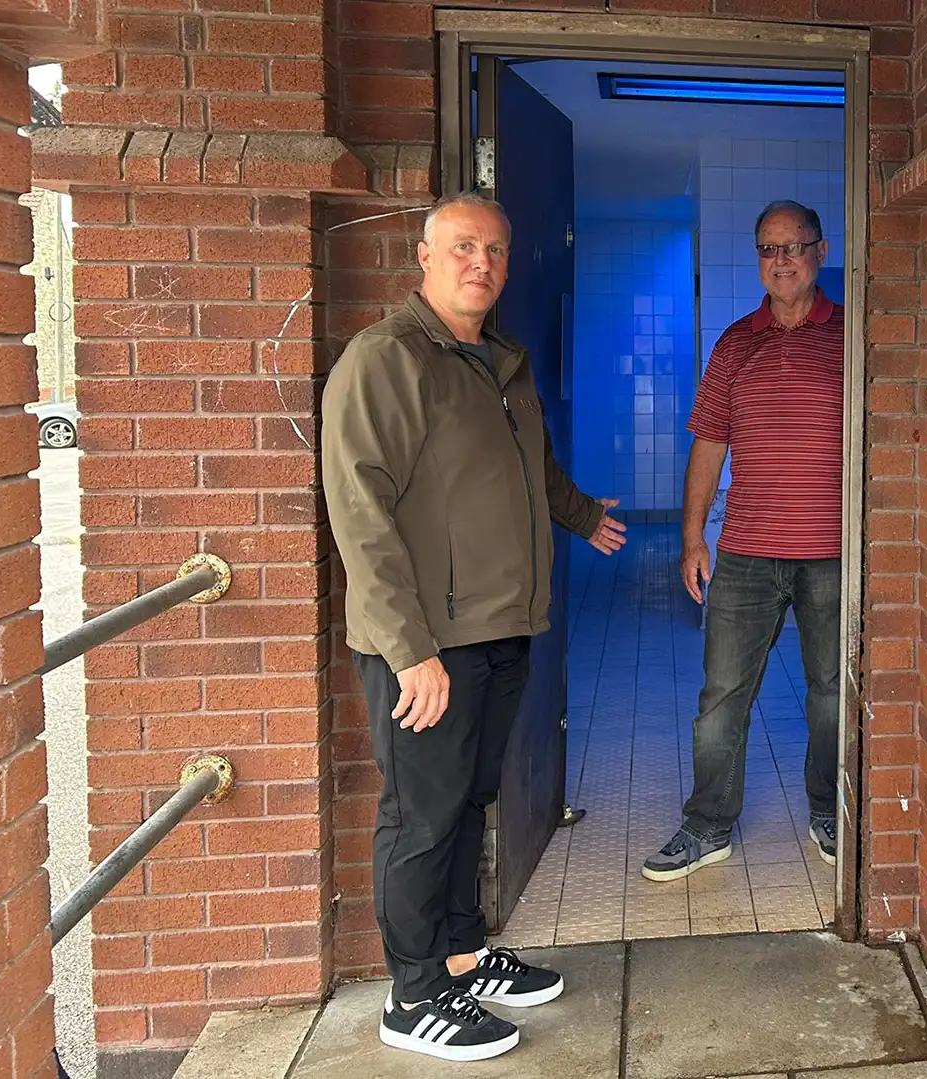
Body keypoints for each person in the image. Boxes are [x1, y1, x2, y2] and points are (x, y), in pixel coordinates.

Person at [322, 192, 627, 1062]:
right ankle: (414, 993)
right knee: (423, 814)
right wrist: (409, 649)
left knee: (467, 802)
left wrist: (577, 515)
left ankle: (459, 954)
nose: (480, 263)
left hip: (499, 627)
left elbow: (529, 467)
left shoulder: (498, 361)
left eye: (494, 249)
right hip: (425, 642)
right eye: (462, 246)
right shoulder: (386, 360)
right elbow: (360, 513)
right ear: (423, 255)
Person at [642, 199, 844, 883]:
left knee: (831, 695)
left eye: (794, 246)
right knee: (722, 696)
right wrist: (692, 535)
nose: (781, 260)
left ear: (820, 252)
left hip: (833, 552)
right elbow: (708, 445)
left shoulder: (851, 336)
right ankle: (708, 826)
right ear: (757, 258)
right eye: (768, 248)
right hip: (748, 553)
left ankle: (830, 810)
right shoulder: (734, 344)